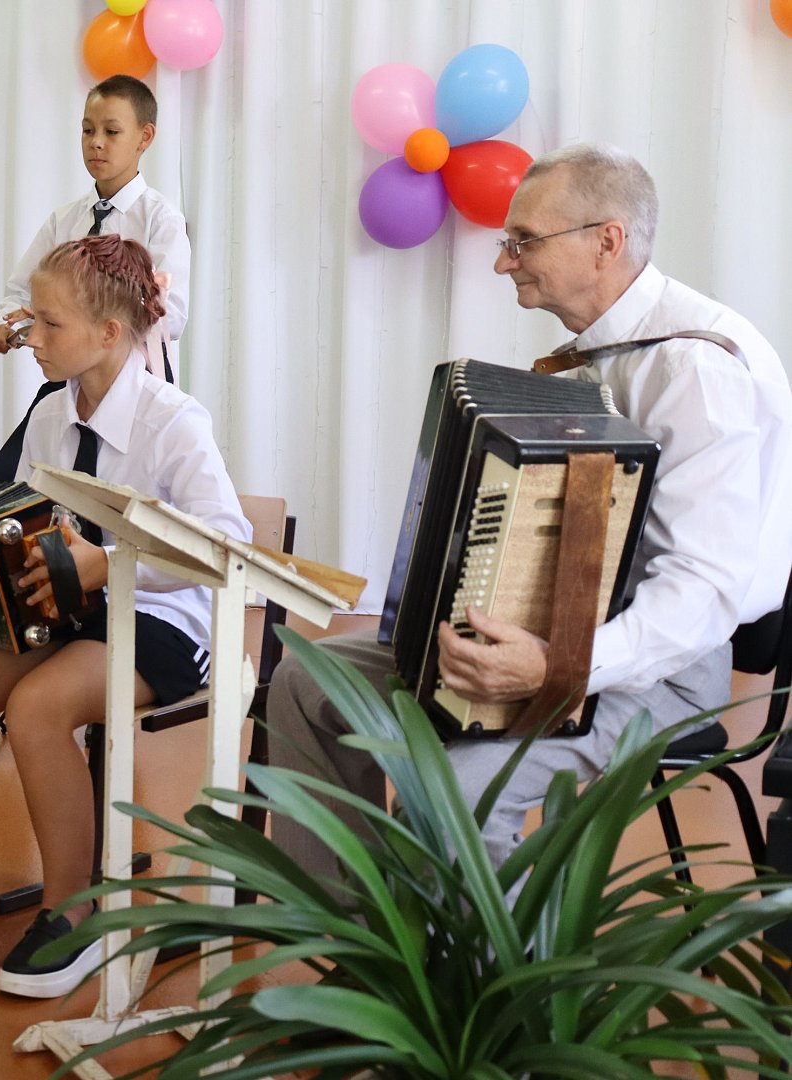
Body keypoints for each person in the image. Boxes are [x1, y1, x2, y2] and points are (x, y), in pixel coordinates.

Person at [265, 143, 792, 875]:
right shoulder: (597, 354)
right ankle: (351, 929)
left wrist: (557, 668)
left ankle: (466, 955)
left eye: (524, 241)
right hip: (549, 629)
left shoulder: (696, 370)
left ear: (606, 241)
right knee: (304, 681)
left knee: (455, 788)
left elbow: (702, 592)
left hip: (659, 669)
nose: (502, 262)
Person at [0, 234, 249, 998]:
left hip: (163, 616)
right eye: (31, 320)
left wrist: (112, 561)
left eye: (49, 324)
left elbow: (228, 546)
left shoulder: (174, 420)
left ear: (110, 333)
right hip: (73, 605)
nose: (31, 337)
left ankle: (74, 914)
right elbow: (26, 525)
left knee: (37, 706)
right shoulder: (51, 415)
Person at [0, 74, 191, 483]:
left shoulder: (161, 219)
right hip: (70, 385)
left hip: (133, 387)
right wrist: (9, 327)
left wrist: (92, 318)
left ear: (145, 137)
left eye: (111, 132)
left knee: (111, 493)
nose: (96, 143)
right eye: (88, 130)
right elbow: (20, 292)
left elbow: (172, 314)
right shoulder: (65, 219)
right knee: (4, 485)